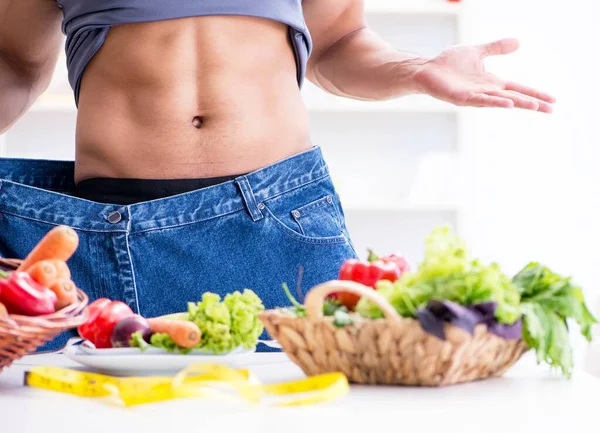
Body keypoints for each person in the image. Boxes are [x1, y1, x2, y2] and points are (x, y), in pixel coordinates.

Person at [0, 0, 555, 351]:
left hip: (274, 228)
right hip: (100, 239)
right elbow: (16, 63)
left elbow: (338, 41)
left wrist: (415, 70)